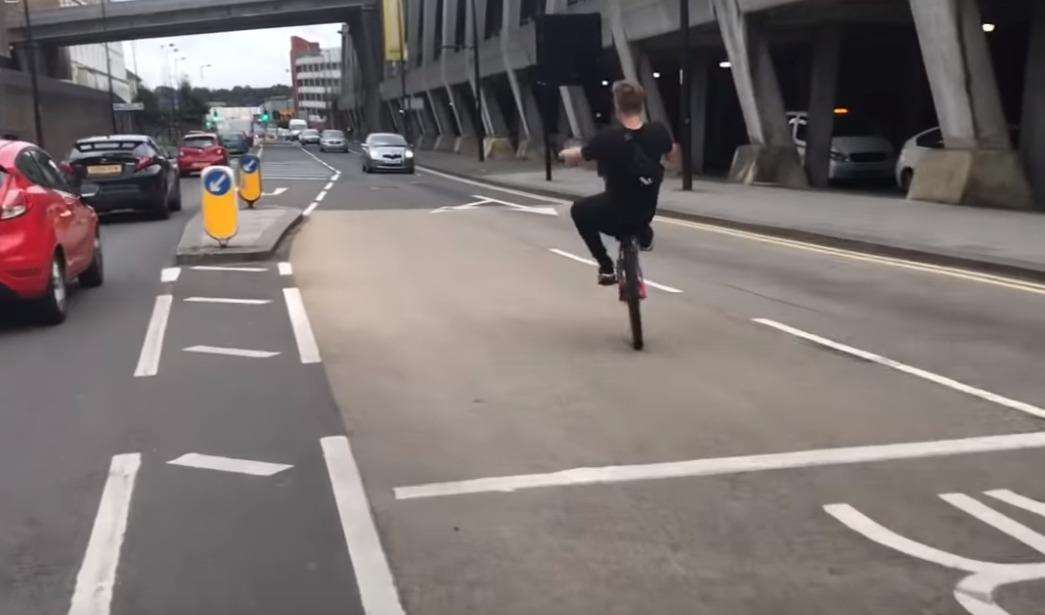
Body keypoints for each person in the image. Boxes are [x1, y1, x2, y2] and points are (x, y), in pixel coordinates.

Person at [560, 81, 677, 285]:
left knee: (579, 209)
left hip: (614, 210)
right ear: (641, 104)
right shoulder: (658, 132)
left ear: (616, 105)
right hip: (645, 210)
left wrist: (564, 153)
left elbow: (579, 155)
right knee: (639, 216)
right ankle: (644, 235)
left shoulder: (607, 138)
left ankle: (606, 267)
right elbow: (673, 157)